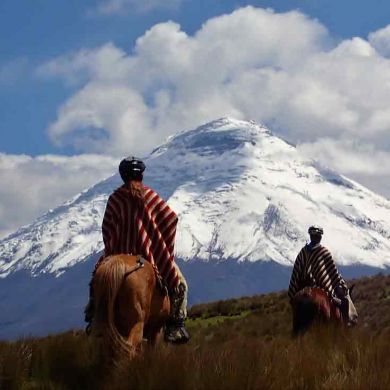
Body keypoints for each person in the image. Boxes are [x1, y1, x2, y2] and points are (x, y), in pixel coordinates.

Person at [85, 157, 190, 343]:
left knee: (97, 277)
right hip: (150, 254)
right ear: (141, 174)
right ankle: (175, 325)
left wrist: (116, 245)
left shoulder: (115, 198)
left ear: (122, 175)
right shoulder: (150, 196)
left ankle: (94, 315)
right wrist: (159, 242)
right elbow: (170, 219)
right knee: (180, 285)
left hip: (117, 252)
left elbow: (107, 227)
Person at [288, 226, 348, 302]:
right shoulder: (324, 252)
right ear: (320, 237)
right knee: (343, 302)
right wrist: (341, 284)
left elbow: (296, 273)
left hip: (301, 287)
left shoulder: (303, 252)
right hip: (321, 287)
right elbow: (333, 274)